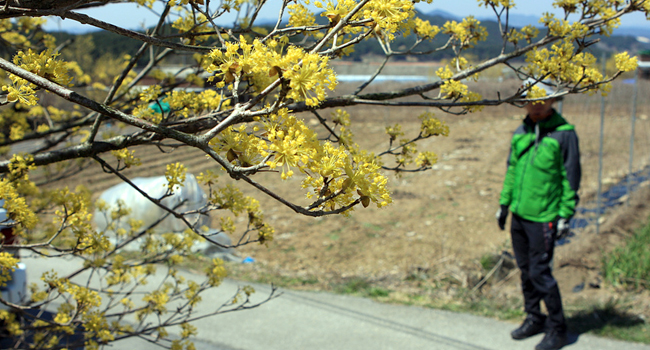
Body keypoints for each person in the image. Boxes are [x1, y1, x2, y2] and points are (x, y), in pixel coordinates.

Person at [496, 78, 581, 350]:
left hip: (544, 216)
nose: (534, 106)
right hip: (519, 214)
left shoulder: (564, 134)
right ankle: (535, 317)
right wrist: (504, 204)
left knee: (540, 272)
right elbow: (512, 170)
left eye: (541, 100)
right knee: (525, 271)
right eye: (529, 101)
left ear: (554, 100)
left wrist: (565, 214)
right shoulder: (522, 130)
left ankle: (558, 329)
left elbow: (571, 177)